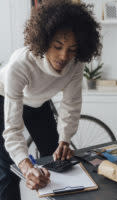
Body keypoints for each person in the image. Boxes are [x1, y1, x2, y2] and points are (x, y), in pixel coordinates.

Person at [0, 0, 101, 199]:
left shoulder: (75, 63)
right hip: (3, 98)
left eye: (72, 49)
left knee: (57, 159)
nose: (64, 56)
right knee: (8, 170)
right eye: (57, 46)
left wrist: (65, 138)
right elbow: (12, 129)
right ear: (44, 40)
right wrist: (26, 166)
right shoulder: (20, 65)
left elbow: (71, 104)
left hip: (38, 102)